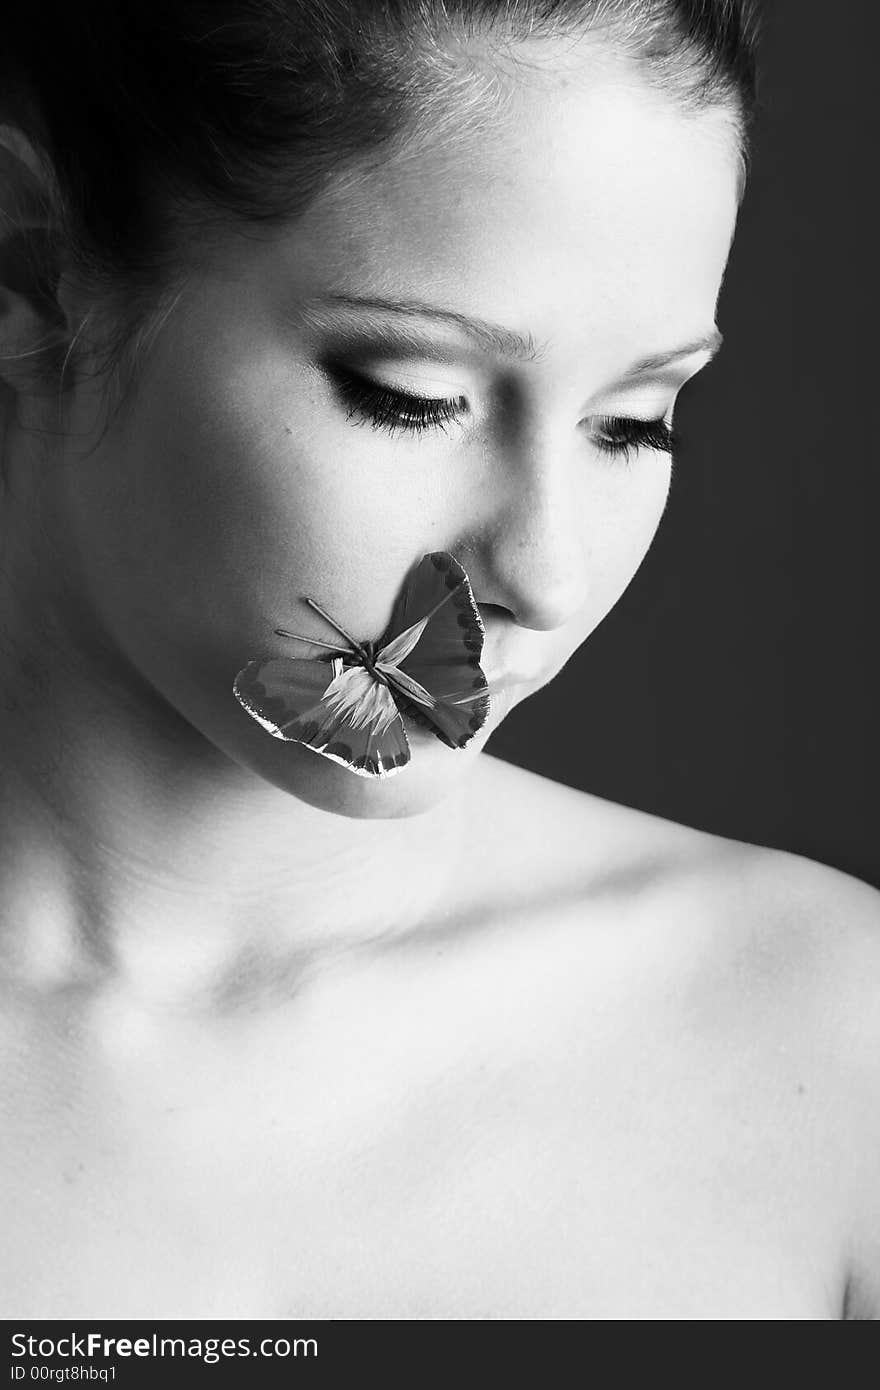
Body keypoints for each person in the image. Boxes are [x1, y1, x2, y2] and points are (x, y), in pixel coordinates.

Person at [0, 1, 877, 1321]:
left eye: (635, 422)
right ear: (35, 269)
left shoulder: (838, 1042)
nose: (547, 571)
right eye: (411, 393)